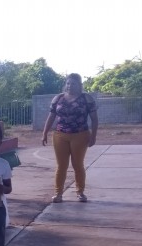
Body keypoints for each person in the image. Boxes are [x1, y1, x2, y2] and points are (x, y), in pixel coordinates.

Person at [41, 73, 99, 203]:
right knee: (61, 165)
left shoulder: (87, 99)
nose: (70, 86)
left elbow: (94, 120)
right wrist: (44, 133)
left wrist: (93, 136)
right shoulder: (58, 99)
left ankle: (80, 192)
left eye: (73, 83)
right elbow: (51, 117)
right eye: (68, 83)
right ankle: (58, 193)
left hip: (80, 135)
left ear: (79, 85)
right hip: (60, 135)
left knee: (77, 164)